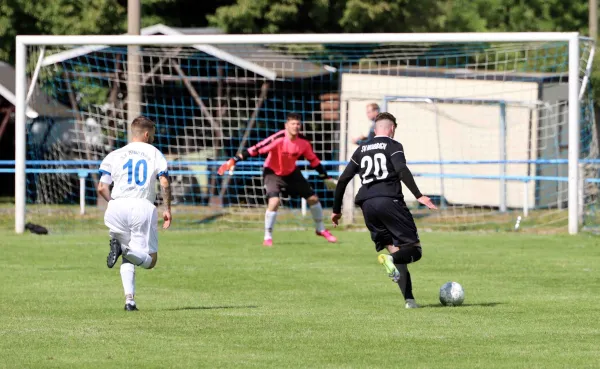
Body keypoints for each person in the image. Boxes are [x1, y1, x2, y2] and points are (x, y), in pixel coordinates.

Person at [331, 112, 437, 309]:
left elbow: (343, 179)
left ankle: (409, 300)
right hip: (390, 201)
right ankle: (389, 260)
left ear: (374, 129)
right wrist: (418, 195)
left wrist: (336, 210)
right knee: (414, 250)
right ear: (392, 129)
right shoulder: (393, 145)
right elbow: (401, 169)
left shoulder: (361, 150)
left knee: (396, 252)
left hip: (367, 206)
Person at [218, 112, 337, 247]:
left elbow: (313, 161)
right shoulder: (278, 138)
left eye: (298, 124)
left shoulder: (303, 142)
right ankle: (267, 237)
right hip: (272, 172)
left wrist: (326, 177)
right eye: (293, 124)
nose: (296, 126)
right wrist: (235, 159)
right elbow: (256, 149)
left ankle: (320, 229)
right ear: (286, 126)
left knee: (313, 199)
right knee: (274, 202)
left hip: (291, 172)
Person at [97, 116, 172, 311]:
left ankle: (129, 300)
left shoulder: (115, 154)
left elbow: (102, 188)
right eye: (153, 134)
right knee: (151, 261)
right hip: (141, 207)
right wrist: (167, 209)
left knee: (127, 258)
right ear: (147, 134)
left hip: (117, 206)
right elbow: (164, 182)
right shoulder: (155, 153)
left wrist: (114, 204)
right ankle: (124, 249)